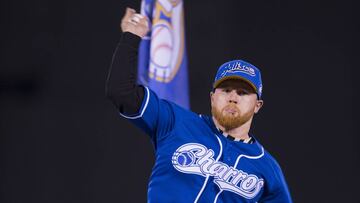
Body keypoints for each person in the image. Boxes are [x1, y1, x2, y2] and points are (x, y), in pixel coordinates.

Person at [106, 7, 292, 203]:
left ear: (258, 105)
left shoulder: (267, 169)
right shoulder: (176, 122)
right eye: (226, 90)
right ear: (212, 97)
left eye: (243, 93)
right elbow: (121, 93)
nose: (233, 97)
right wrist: (131, 36)